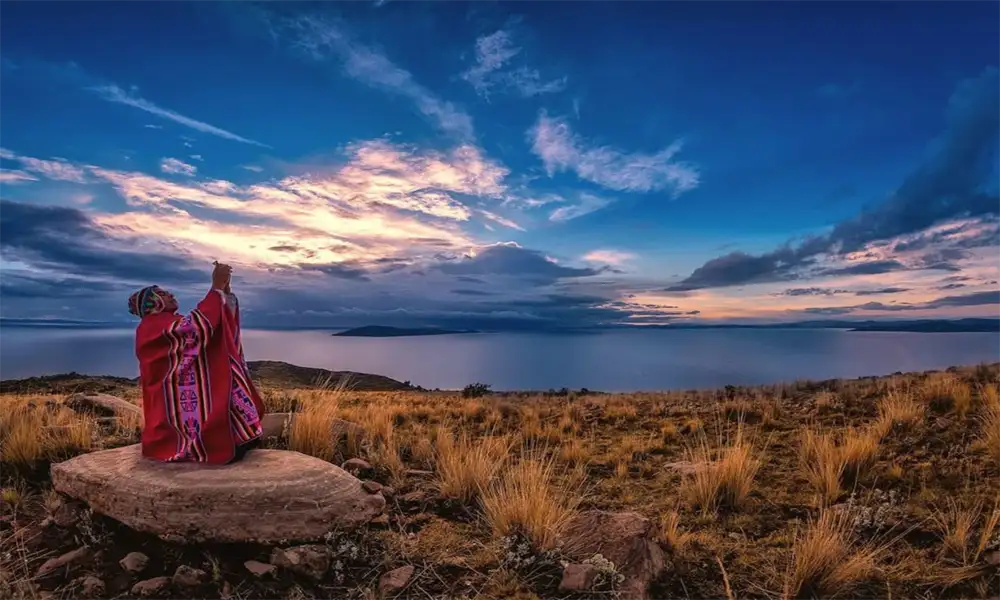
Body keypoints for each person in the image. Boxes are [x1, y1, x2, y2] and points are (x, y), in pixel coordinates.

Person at [128, 262, 265, 464]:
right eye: (164, 294)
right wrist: (216, 288)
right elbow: (196, 327)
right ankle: (211, 444)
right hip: (170, 399)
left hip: (178, 393)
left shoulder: (167, 322)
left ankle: (237, 438)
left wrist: (224, 292)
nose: (171, 295)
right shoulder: (151, 326)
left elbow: (206, 330)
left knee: (225, 380)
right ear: (153, 302)